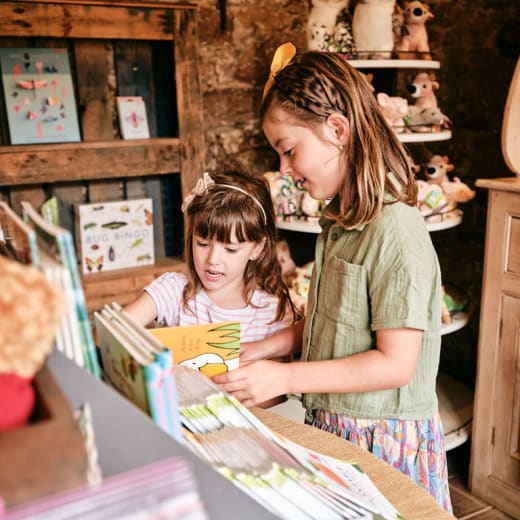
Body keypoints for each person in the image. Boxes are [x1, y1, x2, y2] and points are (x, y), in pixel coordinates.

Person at [213, 43, 452, 512]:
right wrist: (268, 347)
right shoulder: (339, 223)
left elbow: (395, 364)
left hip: (383, 442)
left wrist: (283, 375)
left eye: (289, 151)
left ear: (337, 130)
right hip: (335, 427)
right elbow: (335, 321)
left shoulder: (396, 231)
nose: (284, 169)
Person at [124, 168, 298, 405]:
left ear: (257, 248)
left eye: (230, 249)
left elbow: (276, 395)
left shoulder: (271, 311)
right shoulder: (173, 290)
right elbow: (116, 330)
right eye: (203, 243)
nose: (213, 259)